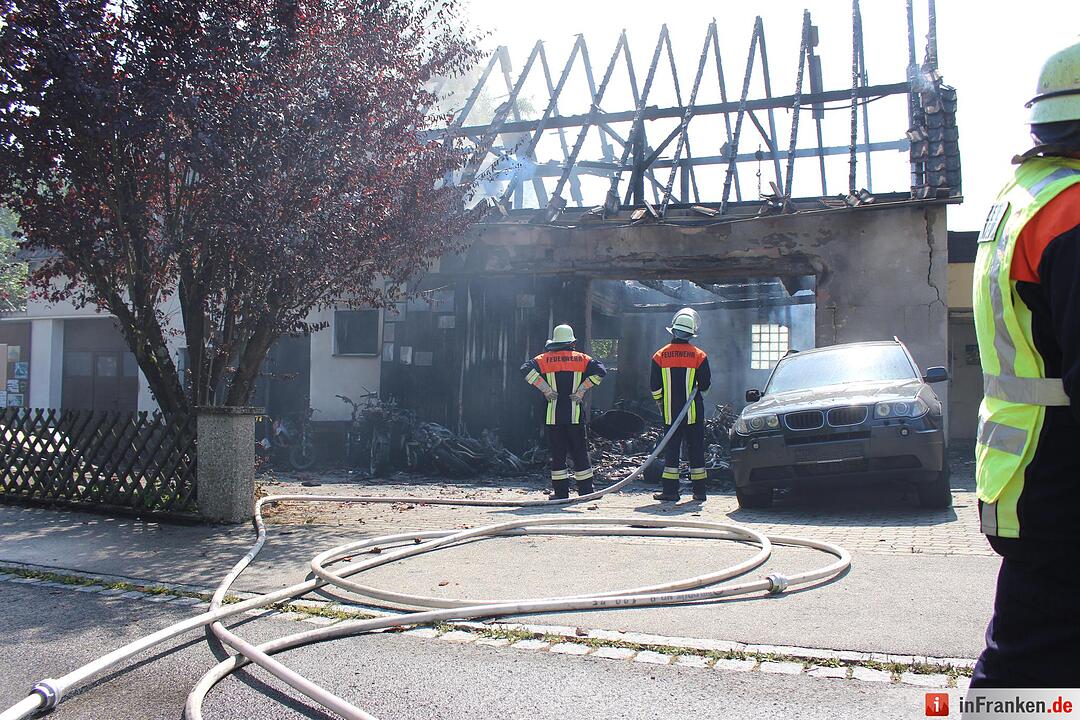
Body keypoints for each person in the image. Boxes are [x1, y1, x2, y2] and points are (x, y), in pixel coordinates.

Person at [970, 39, 1080, 688]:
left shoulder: (1020, 198)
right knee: (1027, 675)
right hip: (1063, 481)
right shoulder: (1071, 210)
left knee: (1031, 662)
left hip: (1024, 471)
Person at [520, 324, 607, 499]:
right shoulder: (582, 359)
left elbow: (525, 369)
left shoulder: (543, 359)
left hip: (553, 416)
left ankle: (561, 494)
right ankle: (586, 492)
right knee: (580, 452)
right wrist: (582, 390)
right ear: (572, 343)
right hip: (574, 415)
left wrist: (544, 388)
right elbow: (601, 371)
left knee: (558, 454)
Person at [650, 308, 711, 502]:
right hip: (693, 413)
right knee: (696, 450)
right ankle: (699, 492)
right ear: (691, 334)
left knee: (672, 452)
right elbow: (705, 385)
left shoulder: (659, 356)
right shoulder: (699, 355)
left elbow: (655, 386)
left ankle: (670, 492)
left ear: (673, 331)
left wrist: (661, 403)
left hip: (670, 413)